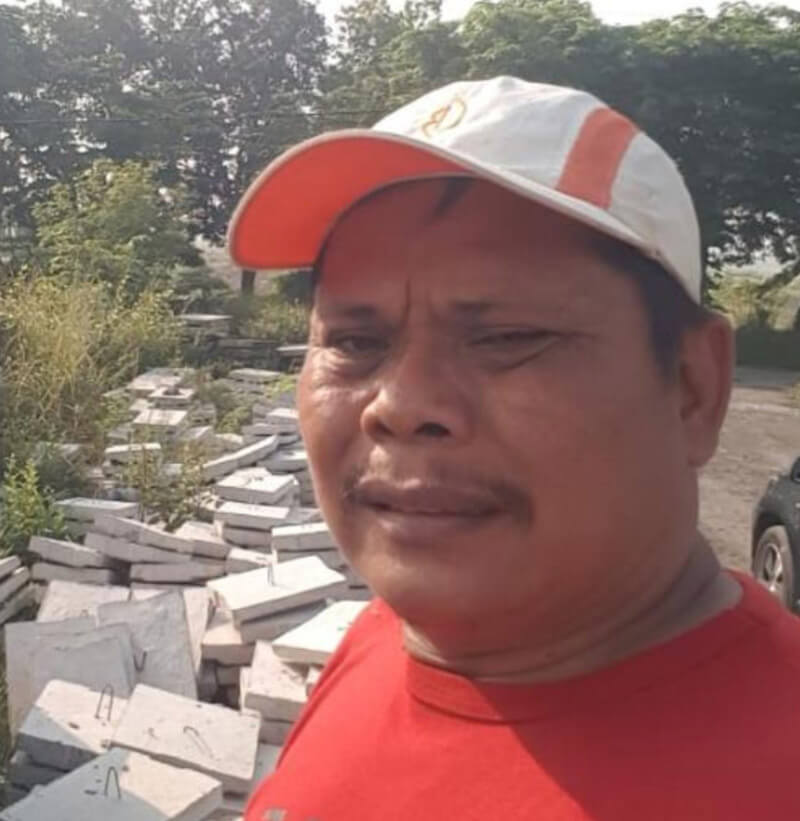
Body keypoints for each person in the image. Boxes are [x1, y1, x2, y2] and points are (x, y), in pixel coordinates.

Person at [230, 77, 800, 820]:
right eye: (354, 342)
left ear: (694, 388)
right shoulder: (381, 641)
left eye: (507, 337)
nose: (400, 406)